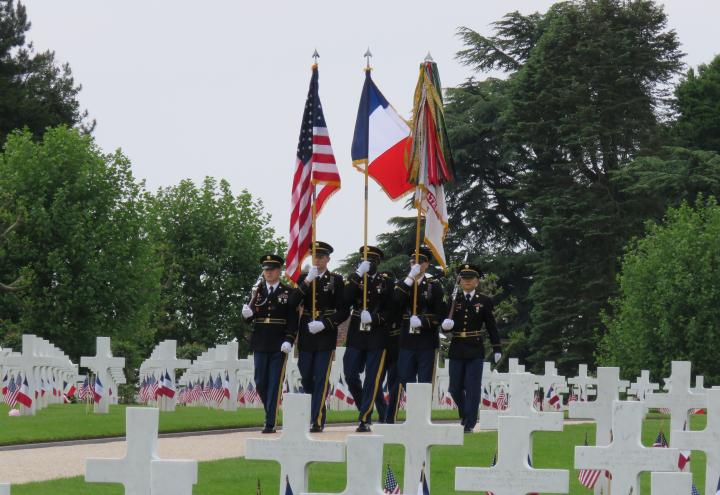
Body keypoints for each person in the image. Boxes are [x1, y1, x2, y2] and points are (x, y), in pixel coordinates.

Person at [288, 241, 348, 432]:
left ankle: (317, 419)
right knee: (306, 375)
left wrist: (325, 323)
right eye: (315, 256)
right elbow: (292, 302)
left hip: (324, 333)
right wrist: (306, 283)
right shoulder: (304, 278)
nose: (318, 259)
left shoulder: (336, 280)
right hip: (307, 333)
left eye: (321, 257)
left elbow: (343, 310)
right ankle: (312, 410)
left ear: (328, 259)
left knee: (321, 376)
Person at [441, 263, 502, 433]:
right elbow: (447, 323)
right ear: (460, 281)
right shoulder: (455, 300)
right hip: (457, 347)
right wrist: (445, 326)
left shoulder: (484, 301)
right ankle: (465, 414)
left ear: (477, 281)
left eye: (470, 279)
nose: (467, 282)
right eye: (464, 279)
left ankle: (470, 423)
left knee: (472, 386)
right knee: (454, 387)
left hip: (475, 348)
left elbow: (491, 326)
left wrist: (497, 348)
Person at [241, 254, 298, 434]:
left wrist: (289, 339)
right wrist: (246, 316)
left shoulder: (288, 292)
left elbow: (292, 319)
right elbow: (249, 319)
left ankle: (270, 422)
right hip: (260, 342)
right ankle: (270, 412)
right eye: (265, 269)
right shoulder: (256, 293)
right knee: (260, 382)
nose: (268, 272)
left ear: (278, 271)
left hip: (279, 344)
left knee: (274, 383)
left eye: (271, 269)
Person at [343, 246, 393, 432]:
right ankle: (366, 405)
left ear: (377, 263)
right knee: (350, 374)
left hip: (377, 335)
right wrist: (357, 275)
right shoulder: (355, 279)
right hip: (357, 333)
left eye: (371, 261)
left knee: (372, 379)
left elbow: (391, 309)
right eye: (364, 260)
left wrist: (375, 318)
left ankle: (364, 418)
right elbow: (345, 300)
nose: (367, 264)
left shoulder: (385, 281)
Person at [394, 246, 445, 396]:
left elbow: (440, 315)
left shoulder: (433, 286)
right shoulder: (403, 284)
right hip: (406, 340)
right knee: (404, 376)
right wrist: (410, 279)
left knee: (424, 381)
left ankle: (421, 415)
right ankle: (414, 406)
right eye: (413, 261)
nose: (416, 264)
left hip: (426, 341)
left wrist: (423, 322)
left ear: (427, 264)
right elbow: (396, 301)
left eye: (421, 261)